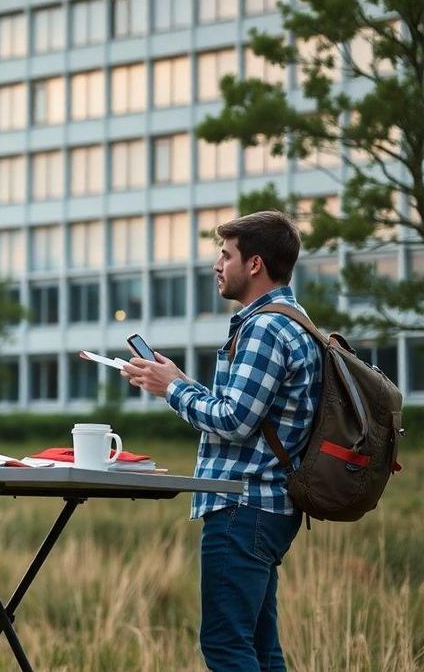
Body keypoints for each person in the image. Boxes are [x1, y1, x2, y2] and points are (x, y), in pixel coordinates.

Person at [121, 210, 322, 671]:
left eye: (225, 254)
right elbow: (247, 412)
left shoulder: (264, 328)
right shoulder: (293, 320)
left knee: (226, 646)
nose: (216, 264)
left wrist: (170, 389)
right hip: (266, 507)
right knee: (260, 648)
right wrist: (179, 381)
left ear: (254, 265)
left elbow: (233, 421)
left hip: (241, 506)